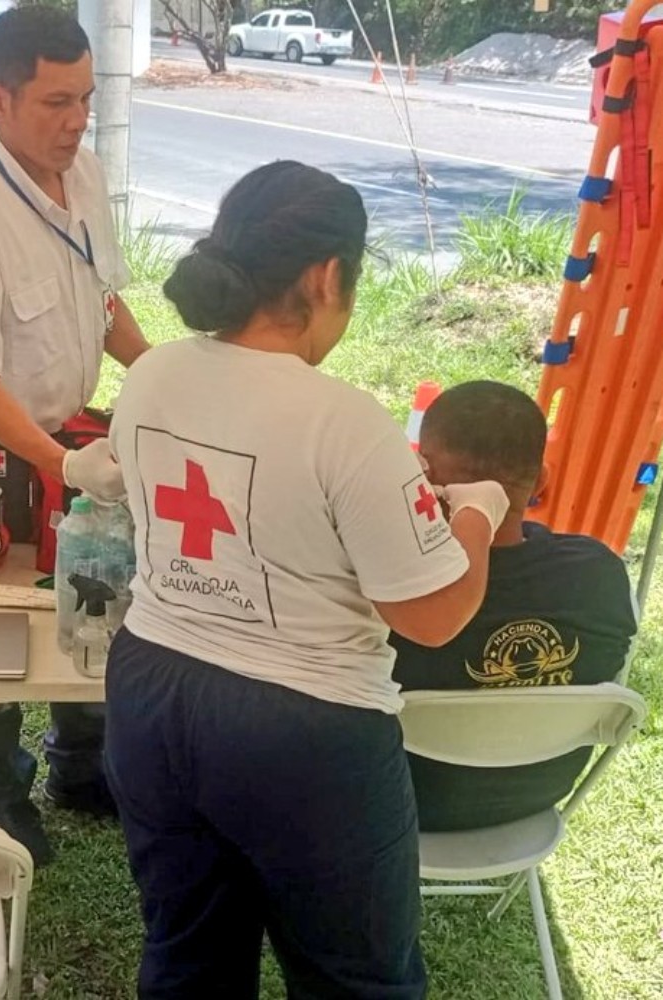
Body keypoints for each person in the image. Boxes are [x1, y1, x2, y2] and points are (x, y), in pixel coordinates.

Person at [103, 160, 510, 999]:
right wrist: (479, 511)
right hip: (304, 731)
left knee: (186, 959)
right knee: (355, 981)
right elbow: (433, 613)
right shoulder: (346, 423)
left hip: (151, 692)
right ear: (327, 277)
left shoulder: (150, 374)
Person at [0, 6, 151, 867]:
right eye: (56, 102)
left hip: (70, 438)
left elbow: (106, 303)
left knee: (91, 589)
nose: (77, 120)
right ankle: (0, 797)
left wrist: (158, 376)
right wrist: (60, 463)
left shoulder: (80, 172)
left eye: (85, 98)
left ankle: (80, 766)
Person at [392, 380, 638, 831]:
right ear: (542, 478)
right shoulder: (599, 572)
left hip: (403, 806)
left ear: (423, 476)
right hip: (530, 802)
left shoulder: (402, 592)